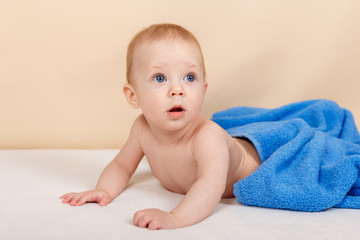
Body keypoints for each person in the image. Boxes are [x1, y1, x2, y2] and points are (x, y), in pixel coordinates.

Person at [60, 23, 261, 230]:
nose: (177, 89)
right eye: (160, 78)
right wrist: (104, 190)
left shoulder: (207, 136)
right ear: (133, 95)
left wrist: (175, 218)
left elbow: (210, 185)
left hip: (256, 159)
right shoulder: (141, 128)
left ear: (203, 90)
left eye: (189, 77)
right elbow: (122, 165)